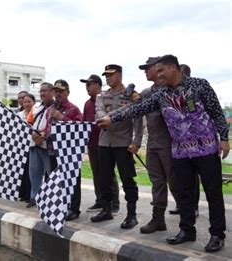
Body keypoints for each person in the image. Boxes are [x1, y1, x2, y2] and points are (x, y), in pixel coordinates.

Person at [98, 55, 229, 253]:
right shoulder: (161, 95)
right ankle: (187, 230)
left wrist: (225, 138)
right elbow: (138, 108)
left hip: (206, 148)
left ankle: (217, 234)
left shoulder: (199, 85)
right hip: (180, 151)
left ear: (174, 68)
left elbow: (217, 112)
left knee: (213, 193)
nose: (158, 75)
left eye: (161, 71)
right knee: (183, 193)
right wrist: (112, 118)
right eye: (156, 71)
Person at [90, 64, 142, 230]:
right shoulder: (101, 96)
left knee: (127, 179)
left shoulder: (131, 96)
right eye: (106, 75)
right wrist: (108, 118)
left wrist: (137, 141)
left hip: (123, 143)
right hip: (105, 142)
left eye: (111, 75)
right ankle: (106, 209)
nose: (108, 78)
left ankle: (131, 214)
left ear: (119, 75)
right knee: (104, 178)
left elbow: (138, 119)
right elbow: (98, 114)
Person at [137, 57, 180, 234]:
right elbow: (135, 110)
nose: (145, 72)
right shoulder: (146, 92)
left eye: (148, 68)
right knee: (157, 182)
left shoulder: (170, 89)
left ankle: (187, 220)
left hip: (170, 144)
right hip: (153, 143)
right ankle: (158, 219)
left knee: (175, 181)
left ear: (158, 68)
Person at [79, 74, 120, 213]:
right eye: (86, 85)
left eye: (89, 85)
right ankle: (100, 200)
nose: (87, 88)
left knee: (108, 174)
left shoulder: (105, 99)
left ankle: (114, 202)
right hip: (91, 143)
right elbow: (84, 122)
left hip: (104, 142)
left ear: (98, 85)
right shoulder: (87, 103)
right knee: (96, 173)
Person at [46, 79, 83, 220]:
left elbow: (80, 128)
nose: (58, 94)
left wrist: (63, 118)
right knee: (57, 181)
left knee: (72, 180)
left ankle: (74, 209)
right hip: (53, 150)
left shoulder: (74, 109)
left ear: (68, 92)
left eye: (61, 91)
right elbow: (49, 126)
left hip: (69, 152)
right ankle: (60, 206)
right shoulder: (50, 109)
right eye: (56, 91)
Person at [169, 63, 200, 218]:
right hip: (180, 142)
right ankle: (182, 205)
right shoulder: (171, 92)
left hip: (194, 141)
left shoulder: (191, 92)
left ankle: (194, 207)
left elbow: (192, 112)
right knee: (182, 179)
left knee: (193, 178)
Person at [26, 83, 55, 208]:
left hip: (47, 145)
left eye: (45, 91)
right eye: (41, 91)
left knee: (51, 174)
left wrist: (42, 136)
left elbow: (54, 126)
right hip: (34, 144)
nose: (42, 93)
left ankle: (52, 200)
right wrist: (33, 134)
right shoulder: (36, 107)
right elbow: (28, 123)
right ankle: (35, 198)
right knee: (34, 173)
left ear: (52, 92)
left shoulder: (55, 107)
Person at [17, 93, 35, 202]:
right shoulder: (19, 115)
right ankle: (23, 194)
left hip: (33, 146)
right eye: (25, 102)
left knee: (31, 172)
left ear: (33, 103)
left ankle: (31, 195)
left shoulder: (37, 114)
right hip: (21, 146)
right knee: (22, 171)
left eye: (29, 102)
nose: (27, 104)